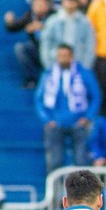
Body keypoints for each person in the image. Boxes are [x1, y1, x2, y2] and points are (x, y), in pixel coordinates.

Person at [36, 44, 100, 172]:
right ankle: (55, 186)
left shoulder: (84, 74)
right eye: (60, 56)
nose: (63, 58)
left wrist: (87, 117)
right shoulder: (48, 74)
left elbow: (96, 96)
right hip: (55, 123)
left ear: (72, 56)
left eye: (66, 55)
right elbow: (39, 99)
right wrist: (47, 119)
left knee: (81, 161)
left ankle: (82, 186)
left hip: (79, 122)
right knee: (55, 162)